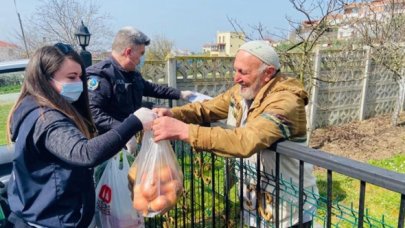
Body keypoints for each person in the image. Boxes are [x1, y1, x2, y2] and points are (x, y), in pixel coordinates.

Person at [150, 40, 319, 227]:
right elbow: (209, 108)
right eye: (235, 70)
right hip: (258, 198)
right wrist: (174, 113)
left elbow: (247, 140)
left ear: (268, 73)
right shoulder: (242, 92)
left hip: (287, 204)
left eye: (243, 72)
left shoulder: (286, 102)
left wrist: (184, 131)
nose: (236, 78)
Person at [6, 43, 155, 228]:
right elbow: (84, 153)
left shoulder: (30, 106)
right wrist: (134, 122)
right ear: (45, 79)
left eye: (79, 76)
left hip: (39, 211)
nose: (78, 83)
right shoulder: (47, 119)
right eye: (71, 77)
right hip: (52, 220)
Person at [86, 26, 192, 153]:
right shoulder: (101, 75)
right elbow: (93, 113)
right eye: (141, 53)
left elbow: (151, 88)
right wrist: (123, 131)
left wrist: (181, 94)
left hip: (127, 141)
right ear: (128, 52)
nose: (143, 58)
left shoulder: (132, 73)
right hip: (104, 145)